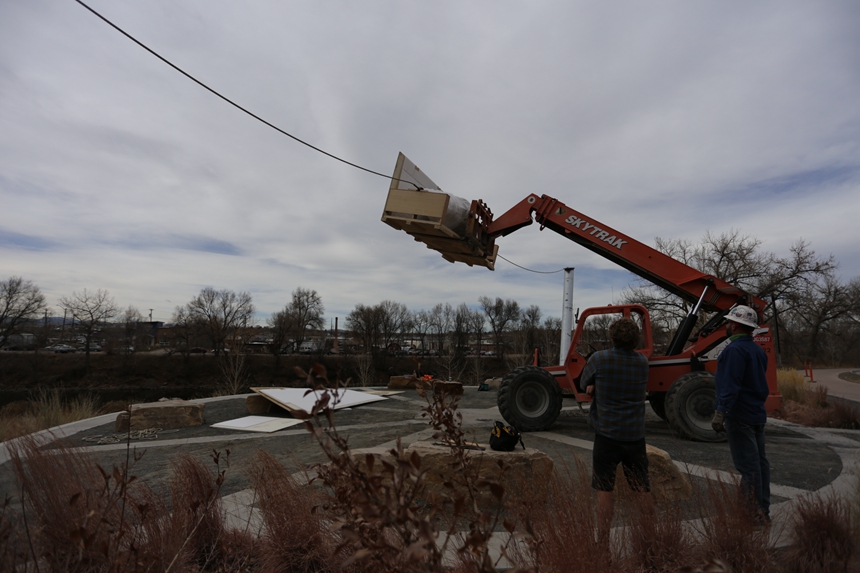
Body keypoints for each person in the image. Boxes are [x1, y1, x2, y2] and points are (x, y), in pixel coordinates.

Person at [580, 317, 652, 545]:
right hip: (635, 437)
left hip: (607, 436)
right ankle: (650, 539)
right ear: (635, 339)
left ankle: (602, 543)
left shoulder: (599, 359)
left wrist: (594, 384)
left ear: (612, 337)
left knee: (604, 490)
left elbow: (583, 383)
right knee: (642, 489)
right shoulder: (642, 362)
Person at [711, 304, 771, 524]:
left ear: (735, 325)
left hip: (740, 415)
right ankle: (763, 510)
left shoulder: (734, 351)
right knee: (760, 464)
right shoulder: (757, 351)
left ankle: (753, 515)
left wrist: (721, 412)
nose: (727, 326)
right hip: (757, 414)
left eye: (728, 322)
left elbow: (730, 385)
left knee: (749, 468)